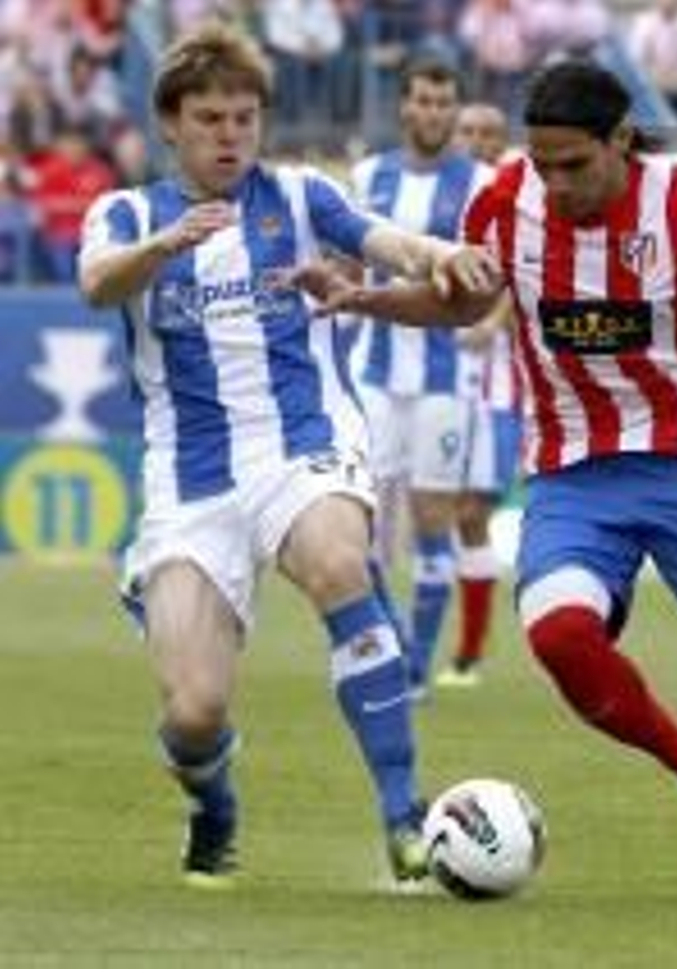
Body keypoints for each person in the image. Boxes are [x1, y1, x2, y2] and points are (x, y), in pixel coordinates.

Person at [293, 60, 677, 909]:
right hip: (574, 470)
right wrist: (363, 297)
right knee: (559, 636)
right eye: (542, 163)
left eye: (574, 164)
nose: (555, 183)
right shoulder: (505, 203)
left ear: (622, 141)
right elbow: (462, 304)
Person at [76, 24, 494, 889]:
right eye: (209, 119)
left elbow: (387, 241)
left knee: (342, 561)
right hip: (188, 481)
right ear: (170, 126)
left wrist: (445, 253)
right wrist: (166, 246)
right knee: (193, 712)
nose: (229, 134)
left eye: (243, 118)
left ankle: (404, 815)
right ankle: (214, 806)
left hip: (301, 444)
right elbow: (96, 282)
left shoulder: (300, 197)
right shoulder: (126, 215)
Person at [350, 60, 493, 697]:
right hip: (374, 373)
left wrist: (482, 311)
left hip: (444, 378)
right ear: (406, 107)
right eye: (425, 101)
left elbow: (496, 269)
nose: (435, 113)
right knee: (367, 527)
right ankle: (394, 648)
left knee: (433, 519)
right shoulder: (367, 176)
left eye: (445, 102)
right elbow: (342, 255)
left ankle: (415, 670)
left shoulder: (481, 183)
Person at [438, 102, 520, 688]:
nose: (477, 141)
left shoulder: (523, 203)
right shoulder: (439, 203)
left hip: (499, 389)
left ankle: (467, 655)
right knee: (428, 516)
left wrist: (494, 322)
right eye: (468, 132)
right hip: (433, 383)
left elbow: (531, 278)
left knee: (471, 514)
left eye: (488, 133)